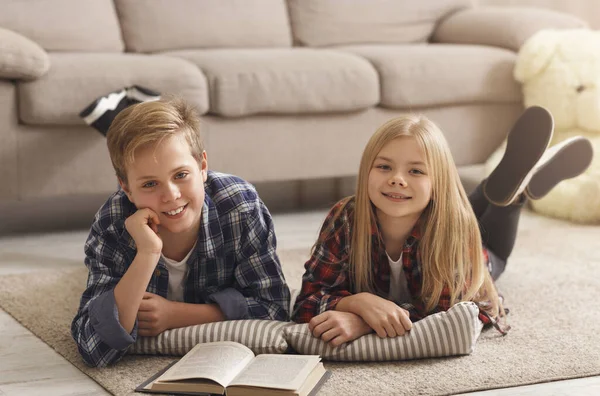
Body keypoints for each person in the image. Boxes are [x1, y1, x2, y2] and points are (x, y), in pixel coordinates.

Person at [292, 106, 593, 347]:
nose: (397, 178)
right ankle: (512, 181)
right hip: (441, 211)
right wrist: (357, 301)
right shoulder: (346, 217)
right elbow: (305, 303)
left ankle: (517, 193)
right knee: (465, 208)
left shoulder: (455, 227)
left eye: (415, 171)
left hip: (478, 252)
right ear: (366, 170)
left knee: (495, 225)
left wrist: (365, 320)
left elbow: (456, 314)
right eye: (384, 166)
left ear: (438, 183)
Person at [71, 97, 291, 367]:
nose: (170, 196)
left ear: (202, 166)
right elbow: (93, 347)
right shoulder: (112, 222)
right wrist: (147, 253)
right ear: (126, 188)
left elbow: (275, 309)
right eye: (150, 183)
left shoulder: (240, 206)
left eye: (181, 175)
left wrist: (176, 315)